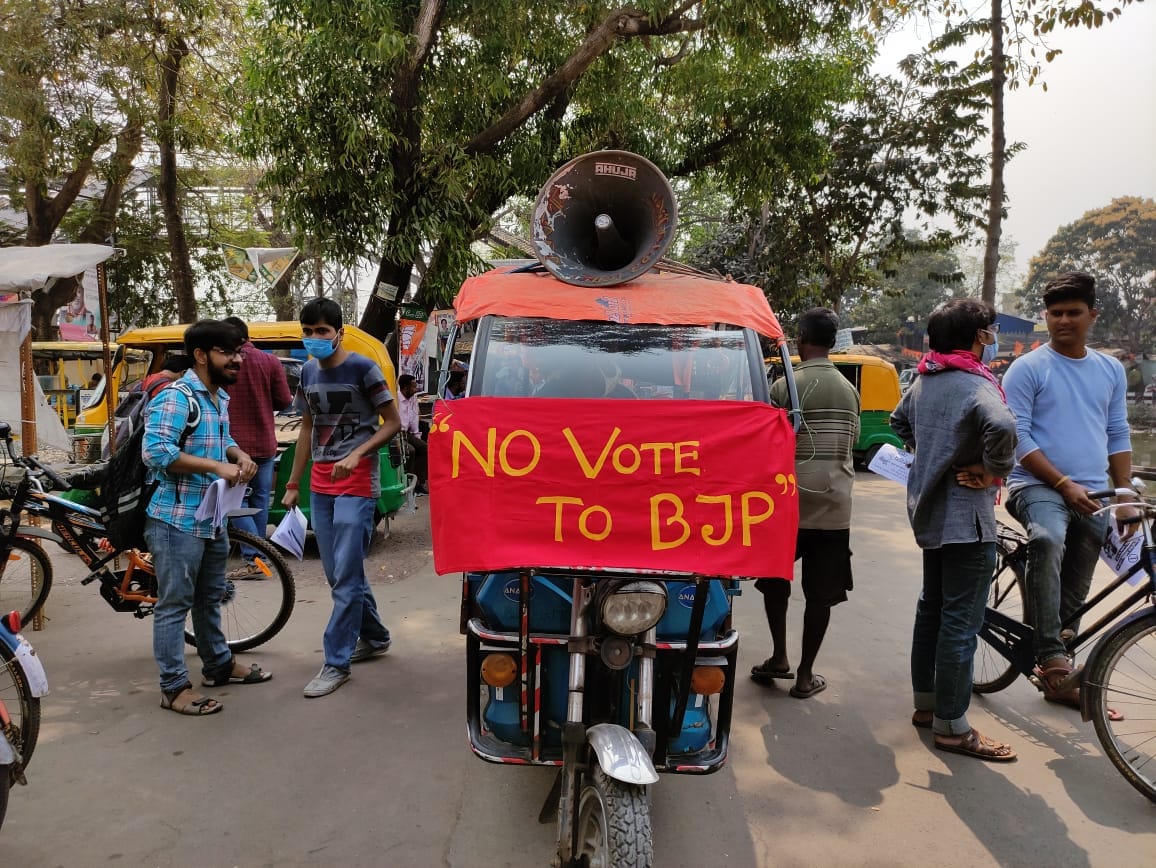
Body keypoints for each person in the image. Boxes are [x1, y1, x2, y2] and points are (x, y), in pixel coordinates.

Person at [1002, 272, 1136, 712]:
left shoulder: (1109, 369)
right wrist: (1062, 482)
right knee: (1047, 539)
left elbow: (1117, 431)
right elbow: (1017, 437)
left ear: (1092, 315)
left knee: (1077, 584)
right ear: (1045, 317)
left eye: (1073, 312)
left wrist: (1124, 495)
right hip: (1036, 486)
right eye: (1055, 313)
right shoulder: (1028, 368)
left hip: (1094, 492)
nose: (1063, 320)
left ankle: (1062, 671)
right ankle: (1051, 659)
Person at [891, 298, 1017, 761]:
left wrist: (933, 454)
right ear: (980, 336)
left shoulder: (925, 379)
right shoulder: (975, 383)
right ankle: (952, 726)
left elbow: (898, 421)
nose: (994, 337)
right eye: (992, 330)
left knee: (932, 610)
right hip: (968, 519)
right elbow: (1002, 425)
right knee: (960, 623)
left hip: (930, 513)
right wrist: (991, 469)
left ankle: (927, 706)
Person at [141, 320, 271, 716]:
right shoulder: (177, 397)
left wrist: (238, 454)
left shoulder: (217, 398)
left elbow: (221, 438)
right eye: (227, 352)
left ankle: (218, 665)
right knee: (174, 605)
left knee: (209, 596)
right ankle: (173, 687)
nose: (237, 360)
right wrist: (216, 467)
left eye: (238, 352)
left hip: (211, 517)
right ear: (200, 355)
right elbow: (156, 452)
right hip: (175, 520)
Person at [282, 298, 401, 698]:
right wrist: (293, 482)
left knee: (346, 578)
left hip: (357, 480)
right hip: (320, 483)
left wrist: (356, 455)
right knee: (338, 574)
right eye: (308, 331)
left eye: (322, 331)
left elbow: (393, 422)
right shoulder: (307, 372)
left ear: (339, 332)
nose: (314, 338)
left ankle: (336, 662)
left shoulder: (363, 368)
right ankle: (376, 636)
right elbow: (306, 427)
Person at [750, 309, 860, 700]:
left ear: (801, 339)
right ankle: (805, 675)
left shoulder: (786, 386)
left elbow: (766, 443)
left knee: (775, 581)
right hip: (835, 506)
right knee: (820, 594)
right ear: (832, 341)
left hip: (787, 502)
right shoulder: (849, 390)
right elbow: (851, 444)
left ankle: (779, 656)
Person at [221, 316, 293, 576]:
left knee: (234, 501)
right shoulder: (270, 361)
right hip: (264, 442)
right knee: (259, 500)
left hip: (232, 445)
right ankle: (259, 559)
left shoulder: (223, 363)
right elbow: (285, 401)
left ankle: (256, 556)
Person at [397, 373, 428, 495]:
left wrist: (417, 437)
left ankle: (419, 483)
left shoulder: (413, 399)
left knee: (424, 448)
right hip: (396, 434)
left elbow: (414, 419)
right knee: (410, 450)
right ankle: (408, 483)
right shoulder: (396, 399)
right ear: (406, 388)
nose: (416, 390)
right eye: (414, 387)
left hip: (407, 433)